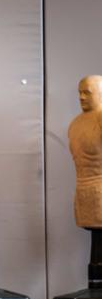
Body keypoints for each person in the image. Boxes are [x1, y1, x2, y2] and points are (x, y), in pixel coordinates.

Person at [69, 75, 102, 229]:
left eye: (87, 93)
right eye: (79, 92)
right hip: (82, 192)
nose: (81, 97)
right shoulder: (75, 124)